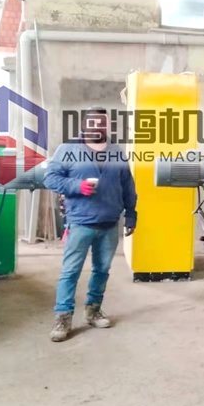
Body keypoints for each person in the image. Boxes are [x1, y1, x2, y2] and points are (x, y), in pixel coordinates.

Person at [44, 108, 137, 342]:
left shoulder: (116, 151)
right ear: (84, 125)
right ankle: (63, 317)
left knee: (102, 270)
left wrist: (131, 214)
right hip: (80, 222)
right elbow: (51, 178)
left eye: (103, 123)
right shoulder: (67, 150)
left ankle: (93, 310)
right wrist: (77, 186)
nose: (98, 127)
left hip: (109, 223)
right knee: (70, 271)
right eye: (93, 123)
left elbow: (128, 185)